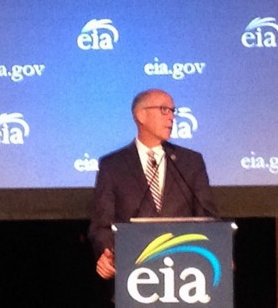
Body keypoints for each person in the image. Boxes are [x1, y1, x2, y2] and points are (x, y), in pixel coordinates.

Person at [88, 89, 218, 281]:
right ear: (141, 115)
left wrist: (219, 252)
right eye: (164, 110)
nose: (172, 117)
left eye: (173, 111)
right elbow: (102, 225)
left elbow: (207, 218)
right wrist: (108, 255)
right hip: (135, 273)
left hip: (185, 274)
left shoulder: (190, 162)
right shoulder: (113, 165)